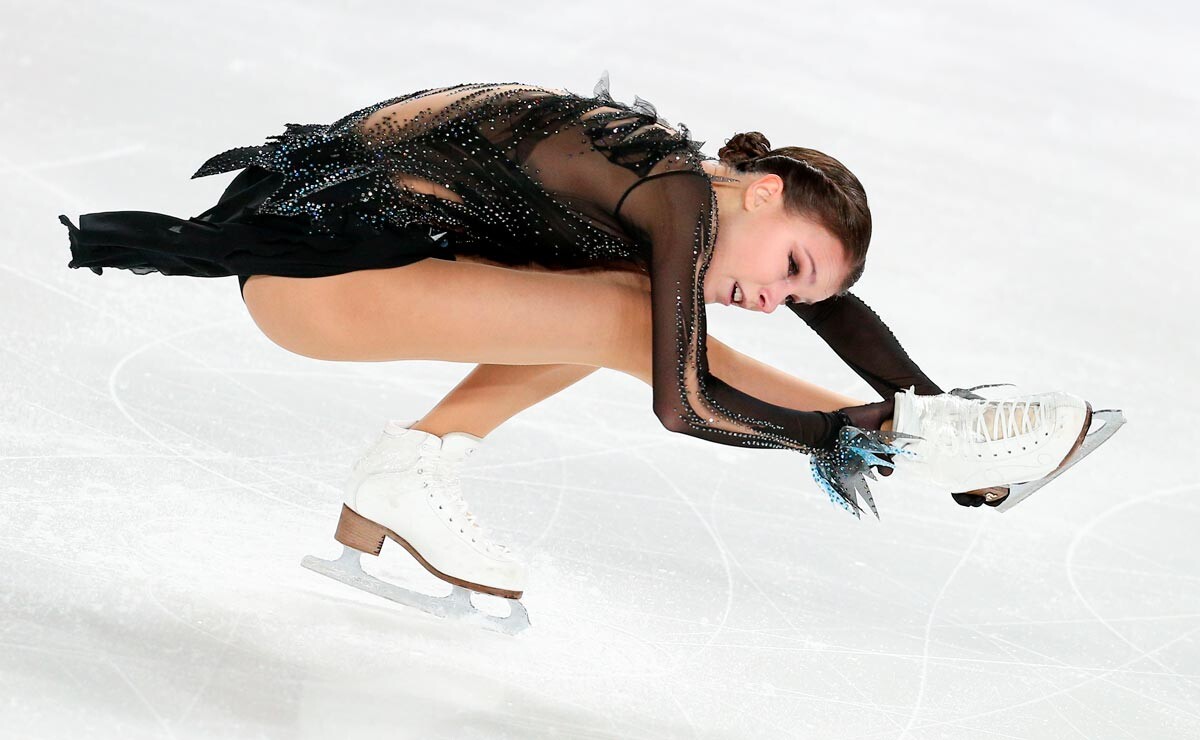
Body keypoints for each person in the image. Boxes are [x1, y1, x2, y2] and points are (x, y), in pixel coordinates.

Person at [57, 72, 1115, 632]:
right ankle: (935, 449)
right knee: (629, 317)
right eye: (790, 261)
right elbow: (683, 399)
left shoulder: (681, 197)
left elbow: (833, 311)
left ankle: (414, 465)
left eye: (794, 291)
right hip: (317, 284)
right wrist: (875, 437)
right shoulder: (680, 199)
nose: (773, 298)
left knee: (633, 299)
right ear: (763, 191)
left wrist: (928, 399)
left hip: (338, 276)